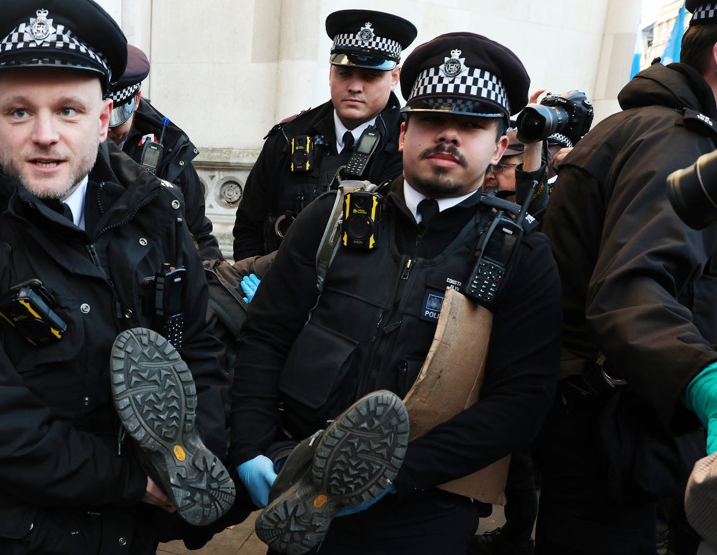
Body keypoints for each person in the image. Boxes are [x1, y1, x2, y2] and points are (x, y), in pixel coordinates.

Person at [0, 1, 234, 553]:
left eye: (68, 110)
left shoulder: (157, 209)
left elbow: (201, 347)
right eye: (19, 112)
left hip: (129, 530)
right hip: (13, 534)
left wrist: (197, 455)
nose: (45, 134)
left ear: (103, 120)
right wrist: (136, 480)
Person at [230, 32, 562, 555]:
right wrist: (251, 445)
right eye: (432, 120)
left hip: (423, 512)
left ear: (500, 147)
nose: (448, 136)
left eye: (472, 126)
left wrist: (389, 474)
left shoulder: (522, 254)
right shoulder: (330, 218)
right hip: (300, 486)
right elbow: (266, 336)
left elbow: (521, 401)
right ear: (404, 132)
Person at [533, 1, 717, 553]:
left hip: (608, 429)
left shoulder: (650, 128)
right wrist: (707, 383)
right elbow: (630, 290)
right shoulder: (677, 141)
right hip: (616, 438)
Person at [232, 9, 417, 259]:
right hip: (280, 280)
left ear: (394, 77)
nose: (355, 86)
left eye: (370, 76)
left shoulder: (412, 148)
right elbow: (249, 228)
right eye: (345, 73)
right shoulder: (288, 137)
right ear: (331, 73)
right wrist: (256, 275)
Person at [106, 44, 222, 261]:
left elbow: (198, 232)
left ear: (136, 100)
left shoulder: (171, 150)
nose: (106, 128)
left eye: (115, 117)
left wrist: (211, 275)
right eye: (98, 116)